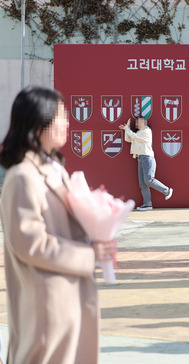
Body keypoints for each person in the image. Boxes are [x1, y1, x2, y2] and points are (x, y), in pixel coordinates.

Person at [0, 87, 115, 363]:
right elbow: (31, 244)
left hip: (66, 305)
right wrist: (90, 256)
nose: (68, 123)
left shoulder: (54, 169)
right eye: (61, 117)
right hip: (46, 312)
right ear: (39, 123)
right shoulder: (22, 177)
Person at [119, 117, 173, 211]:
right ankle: (147, 204)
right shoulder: (138, 132)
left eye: (140, 122)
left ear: (145, 123)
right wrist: (127, 128)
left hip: (147, 158)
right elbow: (129, 139)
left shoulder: (147, 131)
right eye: (137, 123)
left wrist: (127, 129)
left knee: (149, 180)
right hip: (140, 158)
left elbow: (134, 137)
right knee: (143, 184)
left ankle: (167, 190)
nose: (138, 124)